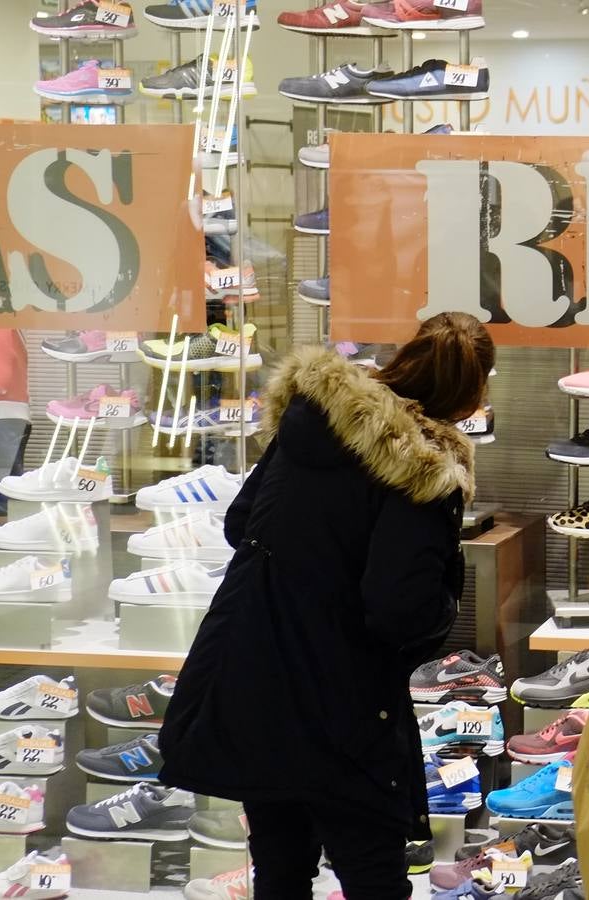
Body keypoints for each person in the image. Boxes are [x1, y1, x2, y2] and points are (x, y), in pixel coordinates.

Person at [159, 312, 493, 899]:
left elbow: (241, 523)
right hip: (344, 699)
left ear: (406, 356)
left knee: (280, 868)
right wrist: (444, 607)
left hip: (256, 673)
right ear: (472, 393)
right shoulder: (422, 470)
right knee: (372, 872)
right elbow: (400, 608)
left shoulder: (315, 417)